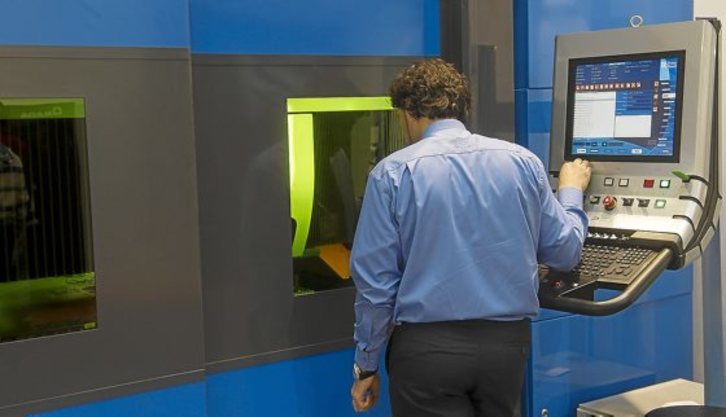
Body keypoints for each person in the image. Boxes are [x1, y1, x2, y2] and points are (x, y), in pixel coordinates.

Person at [349, 58, 591, 416]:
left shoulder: (392, 174)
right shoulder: (522, 162)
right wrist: (571, 193)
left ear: (409, 112)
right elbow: (566, 252)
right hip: (506, 350)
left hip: (427, 353)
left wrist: (366, 365)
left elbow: (376, 286)